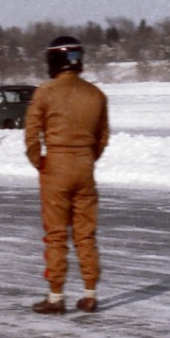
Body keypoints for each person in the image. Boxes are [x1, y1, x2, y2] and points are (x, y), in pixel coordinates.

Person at [25, 36, 110, 315]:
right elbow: (102, 137)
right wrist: (87, 158)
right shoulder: (96, 94)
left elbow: (31, 134)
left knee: (57, 234)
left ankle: (55, 296)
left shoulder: (45, 92)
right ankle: (89, 294)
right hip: (85, 167)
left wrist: (40, 163)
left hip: (56, 167)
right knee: (85, 234)